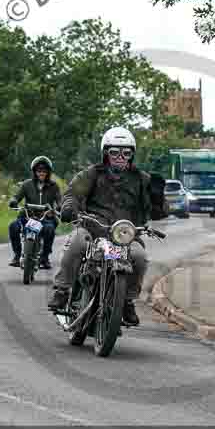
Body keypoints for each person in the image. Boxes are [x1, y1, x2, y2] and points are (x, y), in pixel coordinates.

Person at [47, 127, 167, 326]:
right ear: (106, 153)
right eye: (114, 152)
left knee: (139, 257)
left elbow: (159, 213)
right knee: (77, 241)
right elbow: (72, 194)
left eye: (126, 153)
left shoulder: (141, 179)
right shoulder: (92, 174)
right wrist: (69, 207)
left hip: (125, 235)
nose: (120, 157)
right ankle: (62, 290)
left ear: (132, 155)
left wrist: (157, 197)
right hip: (93, 228)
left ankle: (127, 301)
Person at [8, 156, 62, 270]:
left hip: (45, 218)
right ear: (34, 171)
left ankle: (44, 257)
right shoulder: (27, 184)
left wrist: (60, 208)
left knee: (49, 230)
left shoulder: (54, 186)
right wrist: (13, 201)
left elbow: (59, 201)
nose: (41, 173)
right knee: (13, 226)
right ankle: (17, 255)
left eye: (44, 170)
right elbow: (16, 197)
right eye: (39, 170)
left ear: (48, 172)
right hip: (27, 216)